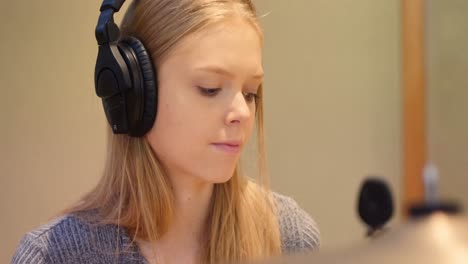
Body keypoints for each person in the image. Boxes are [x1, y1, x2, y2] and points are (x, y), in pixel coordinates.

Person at [12, 0, 320, 263]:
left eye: (251, 93)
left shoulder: (289, 238)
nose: (242, 112)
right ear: (133, 93)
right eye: (210, 88)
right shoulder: (55, 256)